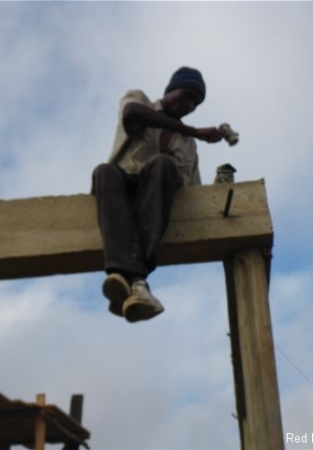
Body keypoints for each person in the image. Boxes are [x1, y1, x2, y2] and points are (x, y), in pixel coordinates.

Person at [92, 67, 224, 323]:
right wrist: (193, 130)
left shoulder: (188, 146)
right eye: (186, 96)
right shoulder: (138, 99)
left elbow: (195, 191)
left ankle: (127, 279)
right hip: (122, 187)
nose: (189, 105)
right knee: (104, 172)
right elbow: (132, 115)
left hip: (155, 200)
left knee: (163, 164)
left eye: (195, 103)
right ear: (169, 90)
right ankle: (136, 284)